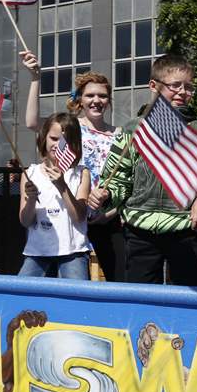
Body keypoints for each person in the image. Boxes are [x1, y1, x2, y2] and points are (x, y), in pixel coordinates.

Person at [88, 55, 197, 287]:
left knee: (190, 302)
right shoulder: (133, 129)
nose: (183, 92)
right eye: (175, 85)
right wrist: (106, 194)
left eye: (189, 87)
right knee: (140, 300)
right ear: (153, 86)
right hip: (139, 228)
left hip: (185, 228)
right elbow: (119, 178)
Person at [24, 58, 125, 282]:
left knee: (120, 278)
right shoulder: (70, 127)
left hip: (108, 217)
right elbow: (32, 122)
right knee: (59, 280)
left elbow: (126, 179)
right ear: (80, 98)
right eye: (90, 95)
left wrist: (111, 212)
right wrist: (35, 78)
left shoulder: (120, 134)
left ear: (109, 101)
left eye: (102, 96)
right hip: (70, 214)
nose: (96, 100)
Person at [19, 112, 91, 279]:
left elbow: (79, 217)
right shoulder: (30, 173)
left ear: (74, 143)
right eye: (53, 138)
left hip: (73, 252)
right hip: (37, 252)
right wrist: (30, 200)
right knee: (22, 297)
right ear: (44, 138)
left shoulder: (81, 173)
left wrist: (62, 186)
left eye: (65, 141)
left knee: (76, 299)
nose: (58, 145)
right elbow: (25, 221)